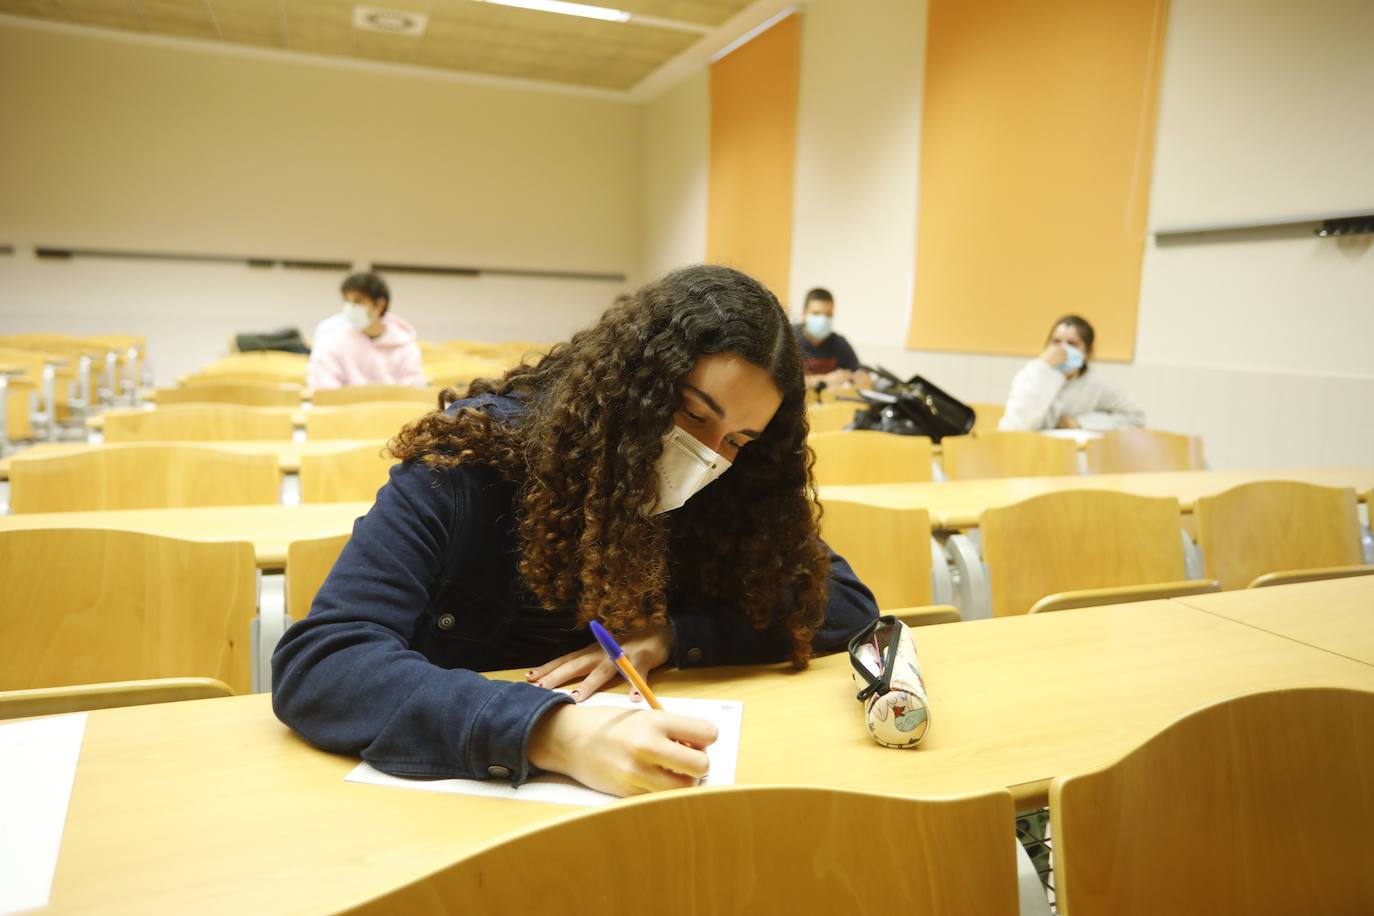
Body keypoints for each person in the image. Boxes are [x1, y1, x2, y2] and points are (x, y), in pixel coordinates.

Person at [272, 265, 879, 798]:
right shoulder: (473, 462)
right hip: (453, 799)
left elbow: (845, 605)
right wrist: (551, 732)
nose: (708, 454)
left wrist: (671, 636)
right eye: (693, 413)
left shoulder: (724, 490)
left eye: (738, 441)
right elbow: (325, 661)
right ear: (634, 384)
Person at [998, 314, 1145, 431]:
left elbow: (1135, 419)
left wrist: (1081, 422)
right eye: (1056, 342)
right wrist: (1042, 368)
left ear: (1088, 352)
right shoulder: (1033, 374)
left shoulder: (1097, 383)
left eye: (1072, 344)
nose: (1062, 350)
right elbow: (1018, 424)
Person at [307, 272, 425, 389]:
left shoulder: (404, 345)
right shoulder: (331, 341)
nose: (350, 307)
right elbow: (324, 389)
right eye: (347, 301)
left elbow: (414, 388)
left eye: (358, 301)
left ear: (380, 304)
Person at [794, 288, 872, 393]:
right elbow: (781, 381)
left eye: (828, 315)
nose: (822, 320)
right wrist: (827, 380)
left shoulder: (840, 343)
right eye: (816, 313)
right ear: (804, 315)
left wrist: (859, 377)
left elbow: (858, 372)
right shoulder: (788, 339)